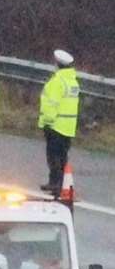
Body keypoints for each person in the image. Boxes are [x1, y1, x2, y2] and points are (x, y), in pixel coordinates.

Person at [38, 48, 79, 196]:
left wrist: (47, 122)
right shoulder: (73, 82)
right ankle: (58, 183)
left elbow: (51, 104)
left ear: (57, 64)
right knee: (62, 156)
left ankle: (55, 183)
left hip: (55, 125)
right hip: (68, 126)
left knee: (53, 156)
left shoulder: (57, 82)